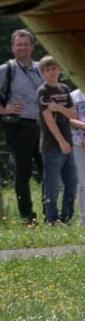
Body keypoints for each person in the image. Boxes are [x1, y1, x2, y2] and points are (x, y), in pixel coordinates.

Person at [0, 28, 45, 224]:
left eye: (26, 44)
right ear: (13, 48)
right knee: (23, 172)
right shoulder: (7, 69)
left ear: (32, 46)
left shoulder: (41, 68)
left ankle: (51, 215)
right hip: (19, 125)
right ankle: (27, 217)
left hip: (43, 126)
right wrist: (2, 109)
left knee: (48, 171)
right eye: (18, 44)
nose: (22, 47)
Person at [36, 56, 80, 223]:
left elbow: (73, 114)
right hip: (51, 146)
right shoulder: (43, 92)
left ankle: (66, 218)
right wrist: (61, 142)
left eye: (54, 68)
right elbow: (48, 119)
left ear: (59, 69)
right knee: (52, 186)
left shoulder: (64, 88)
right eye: (47, 70)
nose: (51, 72)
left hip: (68, 144)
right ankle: (51, 220)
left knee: (72, 184)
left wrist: (58, 107)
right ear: (42, 73)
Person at [72, 87, 85, 224]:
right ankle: (83, 219)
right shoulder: (73, 96)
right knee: (82, 183)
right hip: (77, 143)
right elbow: (68, 118)